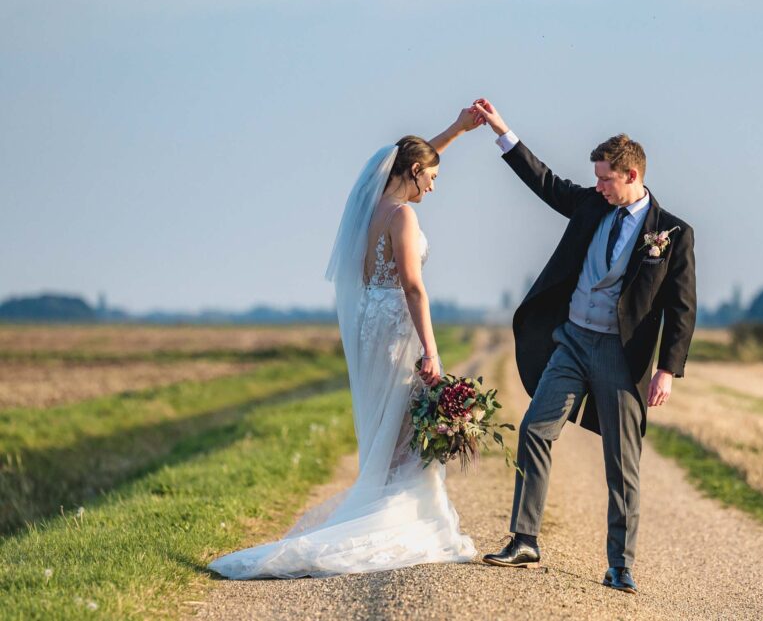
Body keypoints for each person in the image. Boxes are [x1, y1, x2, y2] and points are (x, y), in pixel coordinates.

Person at [207, 108, 484, 579]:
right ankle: (403, 520)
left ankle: (401, 507)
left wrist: (458, 130)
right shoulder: (403, 214)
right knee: (403, 431)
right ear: (414, 173)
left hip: (370, 324)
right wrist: (433, 351)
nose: (435, 186)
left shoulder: (372, 201)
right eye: (431, 177)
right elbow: (414, 287)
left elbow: (411, 155)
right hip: (397, 325)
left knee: (388, 423)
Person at [469, 98, 696, 594]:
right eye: (596, 179)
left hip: (621, 354)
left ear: (631, 174)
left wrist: (667, 369)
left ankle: (620, 564)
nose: (597, 186)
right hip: (571, 340)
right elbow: (546, 183)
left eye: (605, 179)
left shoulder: (673, 234)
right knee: (535, 429)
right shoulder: (593, 206)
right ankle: (525, 538)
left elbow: (682, 308)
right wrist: (504, 131)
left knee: (621, 462)